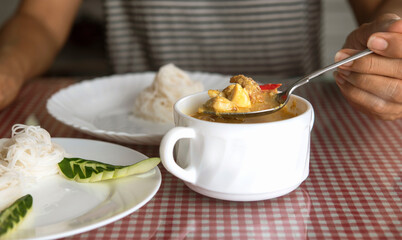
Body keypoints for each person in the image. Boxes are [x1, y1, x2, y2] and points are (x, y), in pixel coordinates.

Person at [0, 0, 401, 120]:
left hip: (289, 123)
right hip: (132, 128)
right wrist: (7, 67)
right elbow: (39, 19)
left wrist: (390, 29)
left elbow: (384, 6)